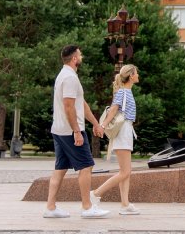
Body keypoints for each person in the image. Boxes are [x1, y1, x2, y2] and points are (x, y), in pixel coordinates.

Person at [44, 45, 109, 219]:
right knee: (86, 166)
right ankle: (87, 207)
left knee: (60, 168)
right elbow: (69, 106)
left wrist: (96, 123)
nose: (82, 57)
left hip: (60, 130)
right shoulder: (69, 78)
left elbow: (81, 103)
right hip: (70, 131)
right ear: (74, 59)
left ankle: (50, 208)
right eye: (80, 54)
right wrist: (77, 131)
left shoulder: (65, 75)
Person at [93, 64, 140, 215]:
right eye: (136, 73)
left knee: (125, 172)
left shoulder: (127, 91)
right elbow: (113, 110)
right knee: (125, 172)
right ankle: (95, 194)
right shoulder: (122, 92)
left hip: (126, 130)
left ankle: (125, 205)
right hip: (123, 131)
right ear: (131, 76)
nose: (138, 75)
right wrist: (102, 126)